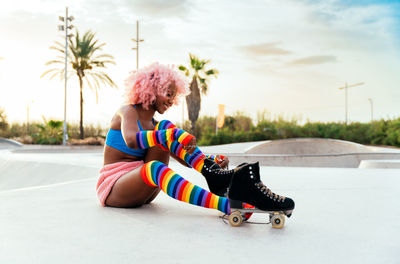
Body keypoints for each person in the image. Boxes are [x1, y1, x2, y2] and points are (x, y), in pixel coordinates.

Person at [96, 63, 294, 217]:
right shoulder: (127, 111)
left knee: (165, 128)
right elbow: (131, 140)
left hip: (143, 188)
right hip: (115, 187)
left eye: (174, 96)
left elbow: (182, 157)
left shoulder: (158, 125)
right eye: (168, 94)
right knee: (158, 156)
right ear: (151, 89)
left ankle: (214, 172)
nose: (171, 101)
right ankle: (225, 204)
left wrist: (209, 159)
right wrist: (172, 135)